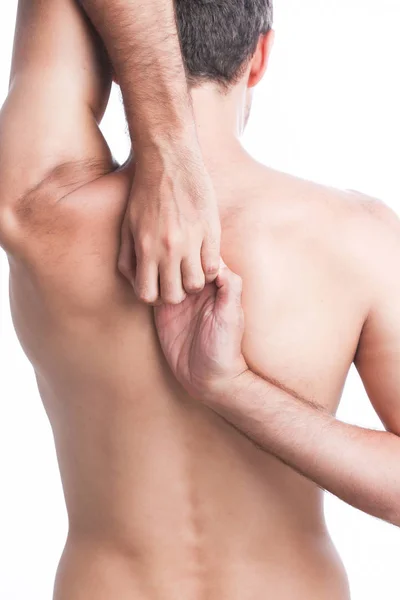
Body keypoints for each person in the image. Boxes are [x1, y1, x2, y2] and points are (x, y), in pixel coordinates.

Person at [1, 0, 399, 598]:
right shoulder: (362, 237)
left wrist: (227, 385)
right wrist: (231, 387)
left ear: (105, 58)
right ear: (260, 57)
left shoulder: (38, 210)